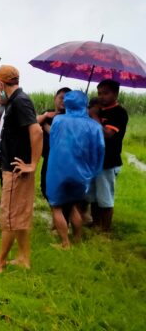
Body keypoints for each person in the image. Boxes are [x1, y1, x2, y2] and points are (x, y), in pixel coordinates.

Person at [0, 65, 42, 273]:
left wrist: (32, 164)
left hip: (16, 168)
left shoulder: (20, 101)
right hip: (15, 165)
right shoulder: (14, 101)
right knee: (20, 214)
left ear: (1, 83)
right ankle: (23, 258)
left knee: (8, 216)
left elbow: (36, 132)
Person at [46, 91, 104, 248]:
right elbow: (100, 150)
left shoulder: (58, 120)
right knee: (74, 205)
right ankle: (77, 238)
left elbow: (53, 143)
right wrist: (93, 171)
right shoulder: (95, 126)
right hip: (82, 173)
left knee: (57, 207)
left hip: (58, 171)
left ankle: (65, 243)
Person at [85, 79, 129, 232]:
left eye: (106, 93)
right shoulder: (98, 110)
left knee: (105, 198)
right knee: (93, 197)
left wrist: (94, 116)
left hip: (108, 161)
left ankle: (105, 231)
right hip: (93, 161)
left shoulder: (119, 113)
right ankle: (95, 223)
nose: (102, 96)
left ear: (116, 93)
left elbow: (108, 134)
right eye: (99, 93)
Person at [37, 87, 72, 200]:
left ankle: (61, 215)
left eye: (68, 99)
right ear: (55, 98)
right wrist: (46, 116)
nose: (64, 101)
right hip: (48, 157)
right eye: (61, 98)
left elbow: (60, 137)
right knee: (45, 187)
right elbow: (33, 123)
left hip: (64, 161)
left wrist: (46, 126)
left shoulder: (70, 117)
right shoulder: (48, 113)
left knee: (62, 193)